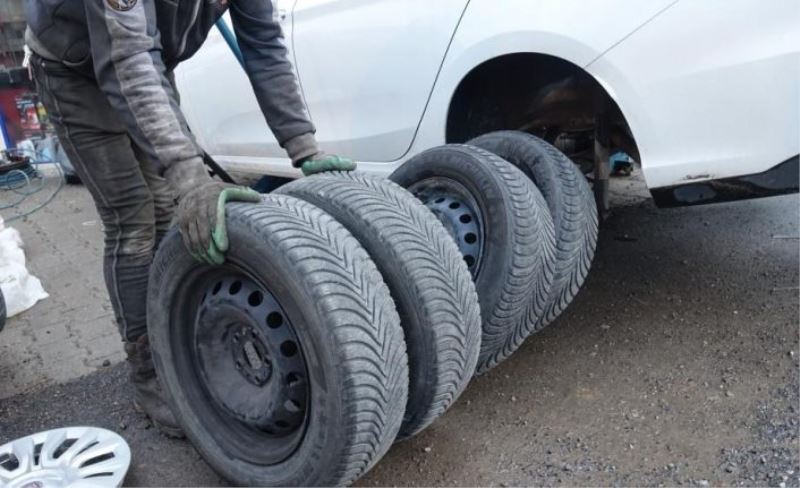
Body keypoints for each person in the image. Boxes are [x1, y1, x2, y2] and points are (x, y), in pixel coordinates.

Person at [24, 0, 355, 437]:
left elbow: (264, 45)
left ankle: (171, 341)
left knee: (166, 207)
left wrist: (303, 145)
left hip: (148, 60)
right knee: (134, 220)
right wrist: (189, 175)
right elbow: (126, 59)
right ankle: (147, 371)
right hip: (73, 69)